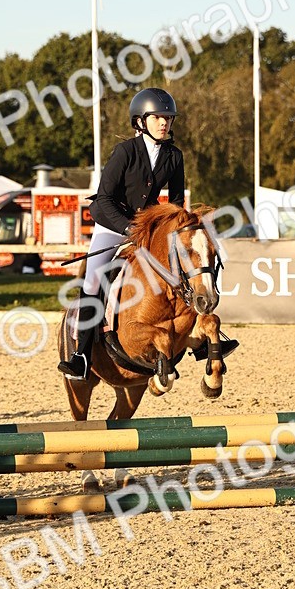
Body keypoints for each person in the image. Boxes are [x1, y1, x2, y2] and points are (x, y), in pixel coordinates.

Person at [58, 86, 234, 380]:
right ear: (141, 121)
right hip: (114, 224)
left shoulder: (174, 156)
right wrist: (129, 228)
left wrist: (179, 233)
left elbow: (176, 204)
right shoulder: (125, 151)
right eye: (158, 118)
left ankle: (201, 340)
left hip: (152, 230)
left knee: (191, 268)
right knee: (93, 279)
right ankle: (82, 356)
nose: (164, 123)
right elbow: (103, 200)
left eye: (168, 118)